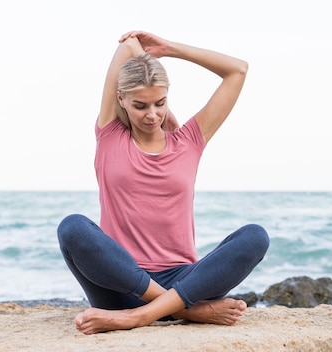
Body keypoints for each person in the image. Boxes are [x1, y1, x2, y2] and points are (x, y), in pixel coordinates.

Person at [57, 30, 270, 335]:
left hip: (184, 280)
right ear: (121, 100)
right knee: (72, 227)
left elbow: (237, 70)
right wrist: (188, 306)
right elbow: (129, 45)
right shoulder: (109, 134)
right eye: (140, 105)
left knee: (255, 237)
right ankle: (184, 311)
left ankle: (139, 317)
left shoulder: (190, 140)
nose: (152, 115)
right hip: (122, 285)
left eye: (160, 103)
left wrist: (169, 48)